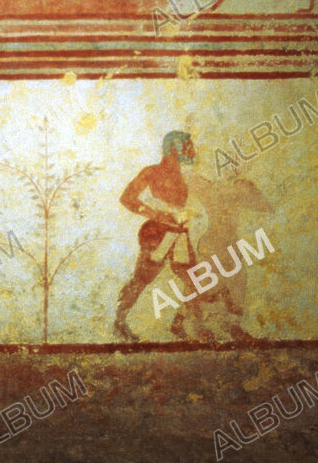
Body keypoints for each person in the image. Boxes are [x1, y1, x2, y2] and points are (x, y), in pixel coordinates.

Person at [114, 131, 198, 342]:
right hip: (157, 233)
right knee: (142, 279)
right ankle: (119, 322)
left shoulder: (184, 175)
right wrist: (154, 213)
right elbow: (127, 198)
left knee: (195, 280)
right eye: (187, 146)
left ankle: (177, 324)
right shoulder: (152, 172)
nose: (192, 151)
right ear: (173, 148)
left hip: (179, 233)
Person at [173, 170, 272, 342]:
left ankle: (232, 325)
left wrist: (252, 188)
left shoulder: (238, 192)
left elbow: (266, 207)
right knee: (203, 284)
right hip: (213, 244)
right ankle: (184, 322)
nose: (237, 177)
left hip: (229, 245)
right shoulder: (212, 189)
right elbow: (188, 179)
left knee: (237, 281)